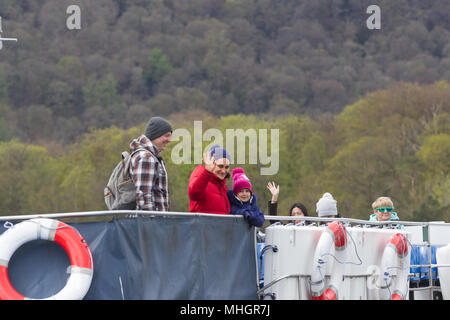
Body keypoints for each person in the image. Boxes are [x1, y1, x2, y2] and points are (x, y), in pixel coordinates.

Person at [129, 116, 173, 211]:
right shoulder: (146, 158)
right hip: (151, 222)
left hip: (154, 222)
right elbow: (143, 196)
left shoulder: (150, 156)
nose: (170, 140)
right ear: (155, 135)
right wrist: (150, 224)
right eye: (166, 135)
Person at [188, 144, 231, 214]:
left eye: (226, 167)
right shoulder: (200, 176)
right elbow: (194, 194)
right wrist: (207, 172)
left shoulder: (224, 188)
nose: (223, 171)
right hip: (202, 224)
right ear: (211, 164)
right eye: (220, 166)